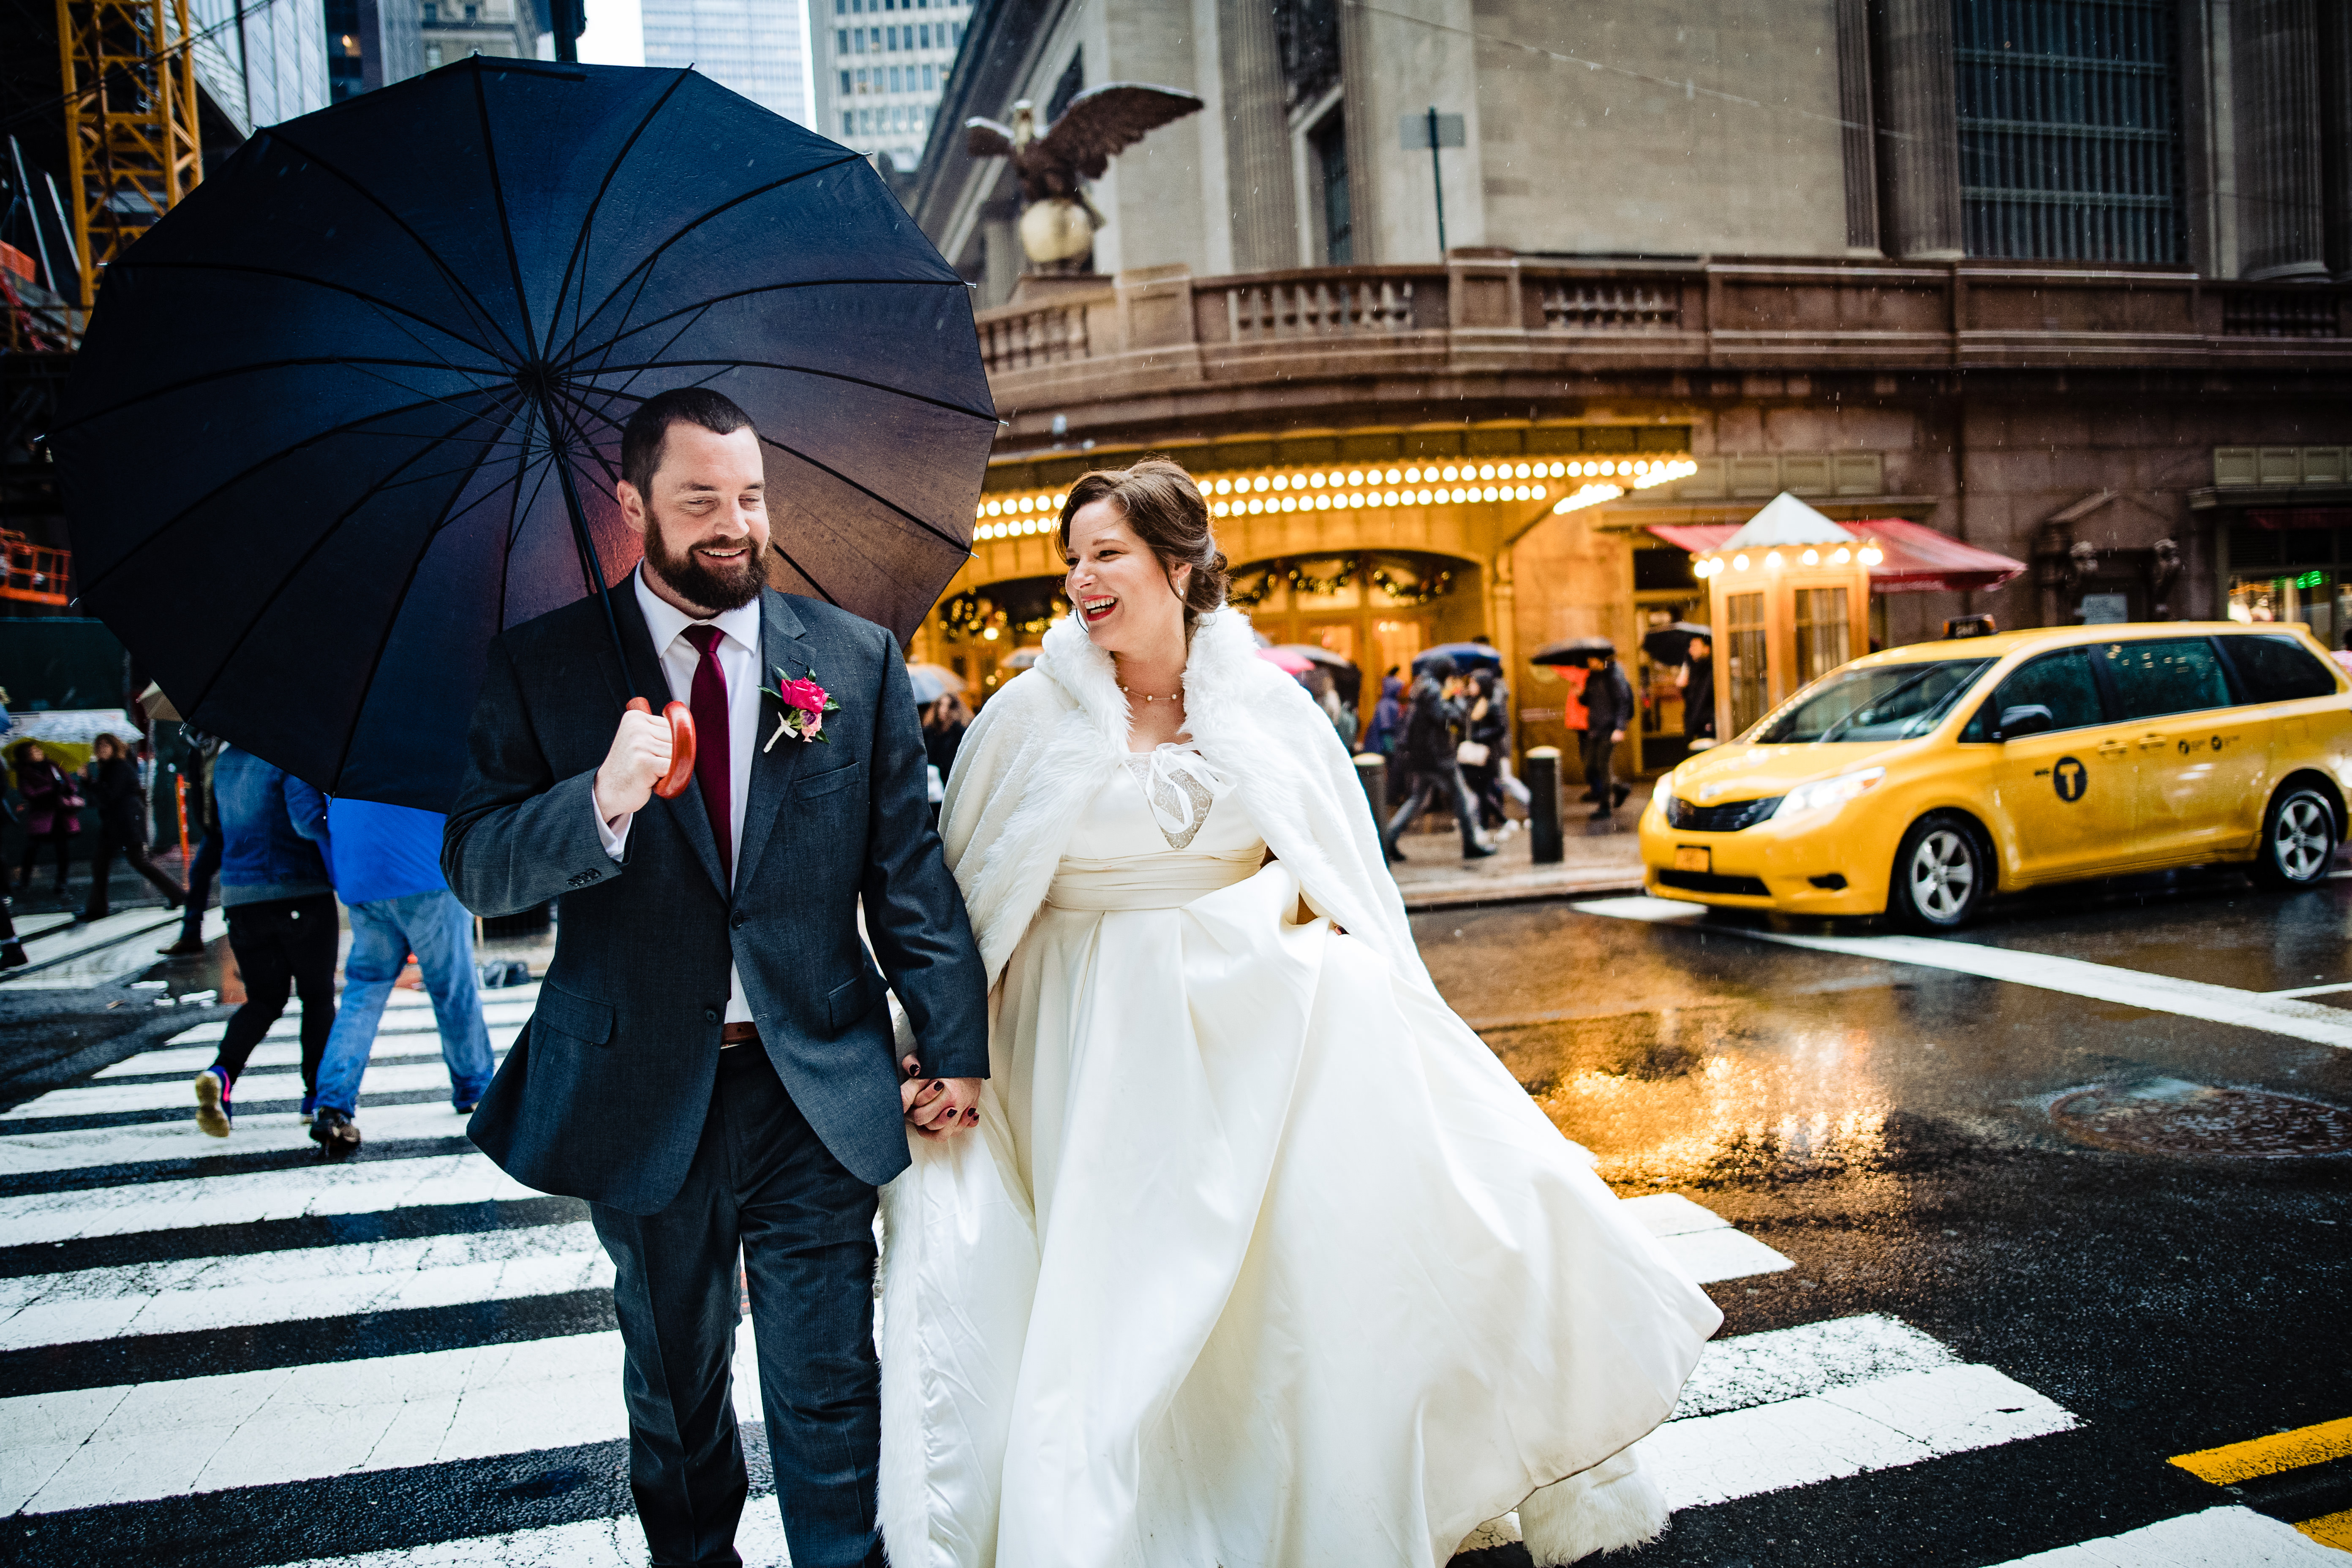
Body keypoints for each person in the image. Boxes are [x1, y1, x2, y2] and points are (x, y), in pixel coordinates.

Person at [880, 459, 1719, 1568]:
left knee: (1281, 1310)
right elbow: (965, 890)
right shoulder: (1025, 717)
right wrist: (940, 1046)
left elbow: (1333, 862)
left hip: (1255, 1053)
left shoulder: (1266, 704)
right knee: (1116, 1316)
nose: (1082, 578)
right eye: (1071, 557)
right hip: (1084, 1056)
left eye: (1108, 554)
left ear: (1178, 567)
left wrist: (1333, 946)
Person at [444, 387, 988, 1568]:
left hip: (815, 1086)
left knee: (833, 1379)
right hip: (639, 1086)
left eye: (750, 495)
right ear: (632, 506)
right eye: (702, 501)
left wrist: (953, 1042)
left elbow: (906, 874)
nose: (736, 522)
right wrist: (598, 800)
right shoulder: (542, 667)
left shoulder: (850, 658)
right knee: (678, 1389)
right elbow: (479, 867)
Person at [306, 798, 496, 1155]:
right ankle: (473, 1089)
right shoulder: (424, 742)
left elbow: (306, 816)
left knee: (362, 993)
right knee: (452, 988)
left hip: (360, 874)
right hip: (428, 870)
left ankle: (332, 1105)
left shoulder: (341, 748)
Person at [191, 744, 337, 1136]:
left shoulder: (225, 761)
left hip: (240, 896)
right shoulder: (287, 752)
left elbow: (218, 826)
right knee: (317, 997)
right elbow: (306, 821)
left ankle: (222, 1074)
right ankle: (316, 1096)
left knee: (264, 1000)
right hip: (299, 889)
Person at [1382, 654, 1494, 861]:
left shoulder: (1422, 684)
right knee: (1461, 797)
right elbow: (1443, 716)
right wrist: (1459, 701)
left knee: (1416, 799)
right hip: (1438, 755)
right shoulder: (1432, 688)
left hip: (1424, 754)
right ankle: (1471, 844)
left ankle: (1388, 840)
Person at [78, 732, 186, 921]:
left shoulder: (120, 767)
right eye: (99, 746)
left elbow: (109, 796)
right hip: (115, 824)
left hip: (125, 823)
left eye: (105, 745)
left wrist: (89, 781)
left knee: (139, 863)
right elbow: (101, 799)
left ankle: (178, 895)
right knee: (101, 864)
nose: (101, 750)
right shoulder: (110, 768)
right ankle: (96, 909)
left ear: (114, 747)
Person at [159, 730, 222, 958]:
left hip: (234, 826)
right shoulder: (198, 748)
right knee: (199, 875)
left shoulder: (230, 746)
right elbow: (200, 786)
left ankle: (193, 935)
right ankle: (190, 935)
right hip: (214, 828)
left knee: (238, 883)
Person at [12, 742, 79, 897]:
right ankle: (24, 881)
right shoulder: (24, 772)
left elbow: (69, 783)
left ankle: (62, 882)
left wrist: (66, 788)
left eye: (38, 749)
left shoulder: (53, 766)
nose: (38, 752)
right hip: (41, 816)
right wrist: (51, 789)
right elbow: (29, 793)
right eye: (33, 751)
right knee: (32, 849)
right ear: (26, 756)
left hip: (59, 814)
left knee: (62, 849)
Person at [1578, 652, 1635, 821]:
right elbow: (1588, 701)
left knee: (1603, 767)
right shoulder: (1592, 676)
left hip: (1610, 729)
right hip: (1595, 728)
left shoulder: (1615, 675)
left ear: (1599, 658)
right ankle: (1621, 789)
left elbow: (1623, 702)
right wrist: (1580, 695)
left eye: (1591, 659)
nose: (1589, 662)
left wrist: (1619, 728)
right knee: (1591, 766)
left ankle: (1605, 807)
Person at [1462, 667, 1512, 830]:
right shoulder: (1473, 702)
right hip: (1476, 753)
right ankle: (1498, 819)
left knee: (1483, 790)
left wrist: (1480, 736)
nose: (1471, 686)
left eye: (1474, 683)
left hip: (1488, 753)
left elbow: (1500, 728)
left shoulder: (1491, 703)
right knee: (1482, 791)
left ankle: (1485, 824)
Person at [1678, 633, 1715, 745]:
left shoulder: (1710, 670)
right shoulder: (1693, 669)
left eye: (1695, 646)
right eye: (1690, 647)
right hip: (1696, 726)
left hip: (1707, 726)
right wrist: (1684, 687)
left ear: (1707, 649)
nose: (1691, 650)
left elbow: (1703, 699)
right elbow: (1692, 699)